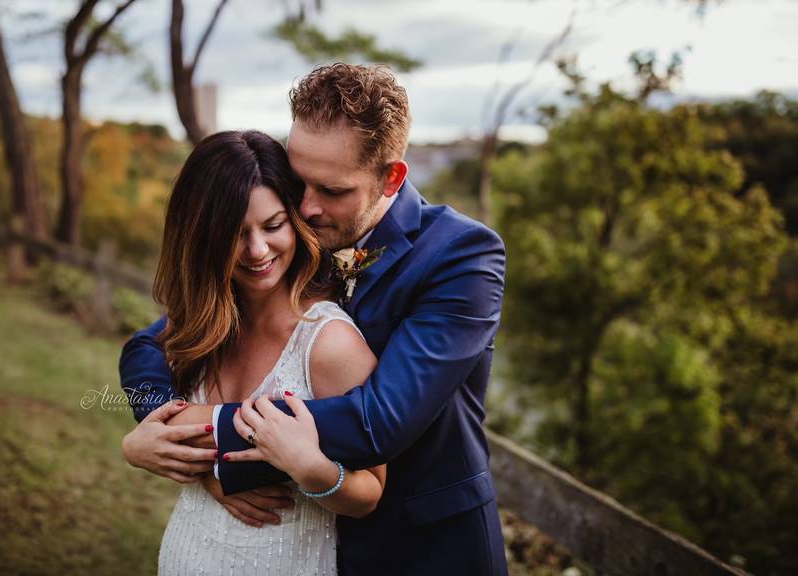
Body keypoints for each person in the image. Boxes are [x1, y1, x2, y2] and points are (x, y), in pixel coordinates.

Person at [120, 63, 508, 574]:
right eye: (299, 182)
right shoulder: (299, 236)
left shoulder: (461, 256)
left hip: (422, 547)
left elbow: (378, 420)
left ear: (390, 177)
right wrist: (158, 422)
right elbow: (151, 343)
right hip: (304, 539)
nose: (306, 206)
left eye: (331, 190)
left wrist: (208, 443)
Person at [142, 129, 386, 575]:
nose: (257, 251)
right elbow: (147, 373)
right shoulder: (202, 323)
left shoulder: (328, 343)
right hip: (186, 553)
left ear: (296, 219)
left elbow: (370, 492)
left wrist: (312, 470)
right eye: (235, 234)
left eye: (273, 226)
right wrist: (143, 444)